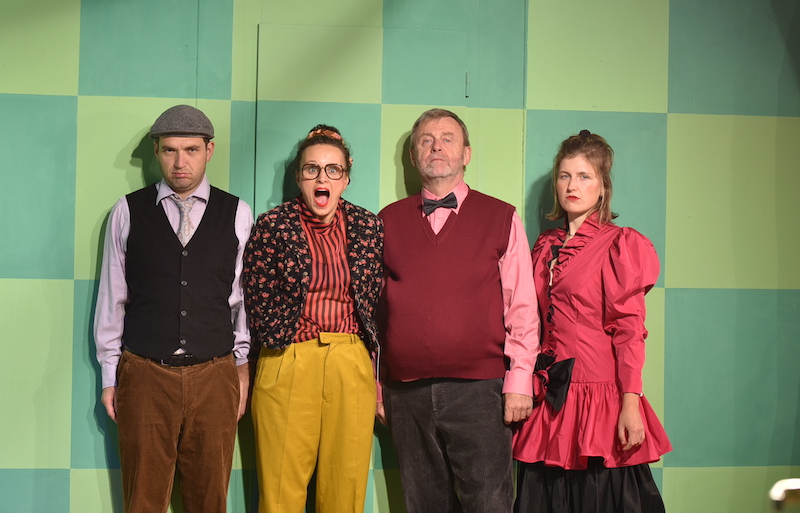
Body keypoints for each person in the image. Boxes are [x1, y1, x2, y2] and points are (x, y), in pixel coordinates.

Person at [377, 108, 540, 513]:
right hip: (406, 394)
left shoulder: (500, 216)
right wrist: (376, 386)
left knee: (488, 504)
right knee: (422, 506)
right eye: (426, 140)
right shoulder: (386, 221)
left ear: (466, 153)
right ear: (413, 157)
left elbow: (521, 305)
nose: (436, 147)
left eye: (447, 139)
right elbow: (373, 314)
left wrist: (520, 379)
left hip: (481, 393)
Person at [93, 104, 254, 513]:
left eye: (191, 150)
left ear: (209, 150)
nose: (180, 162)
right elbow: (113, 298)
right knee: (143, 501)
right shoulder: (127, 211)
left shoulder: (237, 212)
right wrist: (110, 375)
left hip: (215, 375)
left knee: (209, 501)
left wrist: (240, 369)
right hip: (144, 374)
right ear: (156, 151)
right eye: (170, 150)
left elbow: (240, 300)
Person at [513, 129, 672, 512]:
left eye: (585, 176)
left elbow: (629, 331)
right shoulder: (544, 246)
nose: (572, 186)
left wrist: (630, 404)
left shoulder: (620, 245)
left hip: (600, 399)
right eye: (565, 176)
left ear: (603, 187)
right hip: (552, 400)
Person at [242, 125, 384, 513]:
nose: (323, 178)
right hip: (288, 358)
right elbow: (256, 296)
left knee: (345, 489)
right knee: (280, 493)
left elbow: (374, 298)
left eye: (333, 170)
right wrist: (282, 346)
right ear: (299, 177)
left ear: (346, 177)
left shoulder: (369, 226)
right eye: (312, 169)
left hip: (350, 360)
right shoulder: (273, 225)